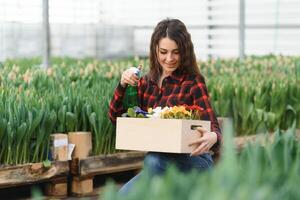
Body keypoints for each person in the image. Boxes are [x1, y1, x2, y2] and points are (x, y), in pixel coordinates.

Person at [108, 18, 222, 195]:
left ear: (184, 51)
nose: (169, 59)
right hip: (159, 164)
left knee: (153, 161)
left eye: (176, 52)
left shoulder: (192, 82)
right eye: (164, 52)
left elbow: (211, 123)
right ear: (155, 49)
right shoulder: (146, 83)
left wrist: (213, 136)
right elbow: (116, 118)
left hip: (194, 162)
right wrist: (123, 85)